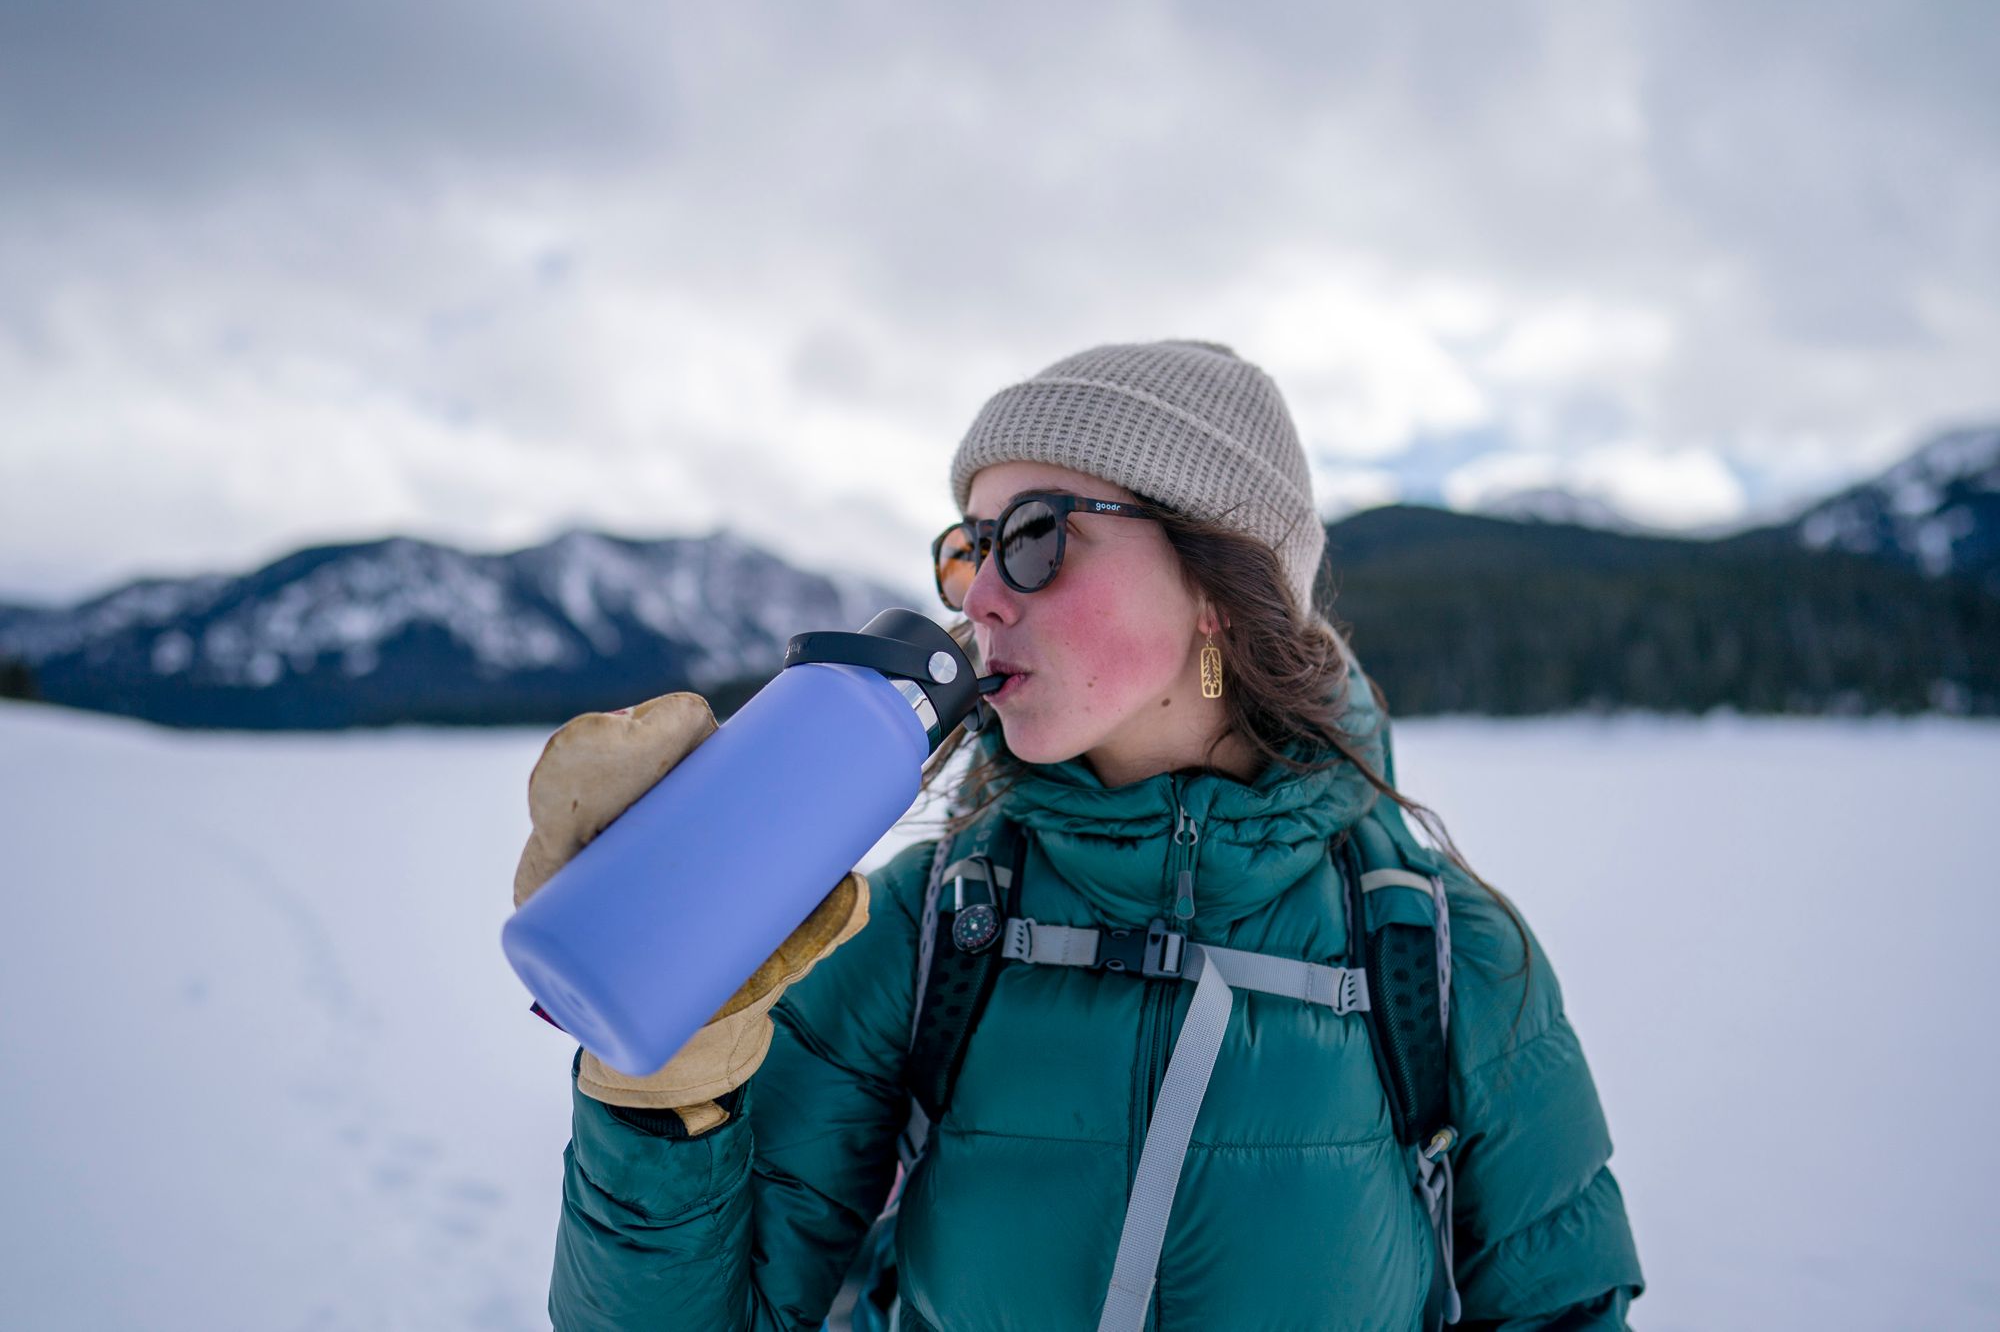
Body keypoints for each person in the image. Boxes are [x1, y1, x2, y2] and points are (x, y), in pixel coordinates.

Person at [514, 340, 1645, 1329]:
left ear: (1219, 588)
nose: (982, 599)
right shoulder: (918, 929)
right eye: (967, 548)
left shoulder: (1443, 956)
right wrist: (660, 1088)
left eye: (1037, 536)